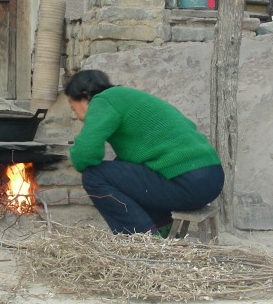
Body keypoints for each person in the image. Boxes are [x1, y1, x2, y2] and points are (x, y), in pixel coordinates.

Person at [64, 69, 224, 236]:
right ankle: (161, 230)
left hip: (187, 182)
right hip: (211, 178)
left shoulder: (103, 100)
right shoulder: (126, 98)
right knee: (124, 170)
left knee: (93, 175)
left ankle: (142, 241)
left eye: (72, 107)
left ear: (84, 94)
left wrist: (82, 166)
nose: (76, 115)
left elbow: (85, 153)